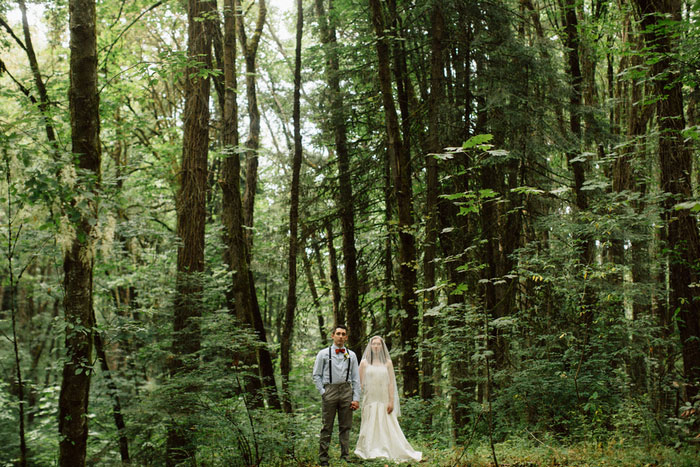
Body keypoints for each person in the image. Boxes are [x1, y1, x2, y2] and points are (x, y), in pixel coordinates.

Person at [354, 336, 422, 462]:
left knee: (387, 426)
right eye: (373, 344)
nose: (376, 346)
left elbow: (391, 383)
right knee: (369, 425)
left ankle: (388, 449)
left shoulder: (387, 363)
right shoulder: (364, 363)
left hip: (384, 399)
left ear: (382, 346)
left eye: (378, 344)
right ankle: (369, 449)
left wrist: (391, 401)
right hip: (370, 399)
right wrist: (357, 398)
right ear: (370, 346)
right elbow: (359, 383)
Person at [312, 325, 361, 465]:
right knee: (327, 425)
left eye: (343, 334)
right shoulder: (323, 354)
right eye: (338, 333)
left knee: (345, 426)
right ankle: (323, 458)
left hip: (346, 391)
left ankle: (345, 456)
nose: (340, 336)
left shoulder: (351, 355)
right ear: (332, 336)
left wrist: (356, 398)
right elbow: (316, 375)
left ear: (346, 337)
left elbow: (356, 378)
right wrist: (323, 392)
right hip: (330, 390)